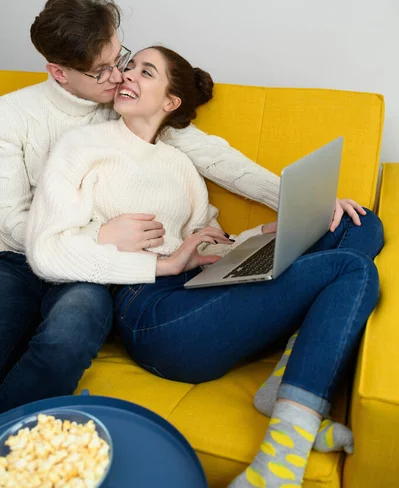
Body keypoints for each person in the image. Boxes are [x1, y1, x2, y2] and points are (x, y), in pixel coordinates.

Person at [25, 45, 383, 487]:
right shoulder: (80, 146)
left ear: (170, 102)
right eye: (129, 66)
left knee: (360, 225)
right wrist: (163, 263)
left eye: (145, 71)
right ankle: (281, 456)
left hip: (202, 289)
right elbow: (47, 251)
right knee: (354, 269)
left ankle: (286, 385)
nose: (127, 75)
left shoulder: (178, 161)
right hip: (151, 311)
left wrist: (258, 240)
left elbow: (204, 240)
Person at [0, 0, 297, 413]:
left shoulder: (125, 106)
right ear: (60, 73)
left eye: (120, 57)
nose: (120, 77)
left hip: (90, 268)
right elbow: (12, 219)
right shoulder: (10, 116)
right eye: (102, 71)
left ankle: (15, 439)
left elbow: (215, 157)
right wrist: (99, 234)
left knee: (74, 324)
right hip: (19, 256)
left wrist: (294, 198)